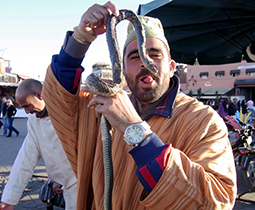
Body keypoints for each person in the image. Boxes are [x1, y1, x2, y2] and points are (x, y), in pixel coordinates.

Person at [42, 2, 236, 209]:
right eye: (135, 57)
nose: (145, 62)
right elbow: (61, 98)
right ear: (123, 71)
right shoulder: (103, 113)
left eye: (154, 54)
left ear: (171, 68)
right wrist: (82, 36)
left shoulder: (203, 122)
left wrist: (135, 130)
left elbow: (215, 200)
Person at [0, 79, 77, 210]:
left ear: (39, 95)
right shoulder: (34, 122)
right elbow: (24, 161)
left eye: (27, 106)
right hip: (70, 191)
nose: (27, 112)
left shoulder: (70, 110)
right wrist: (9, 200)